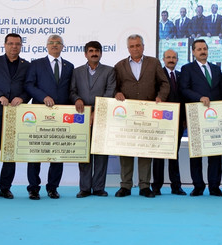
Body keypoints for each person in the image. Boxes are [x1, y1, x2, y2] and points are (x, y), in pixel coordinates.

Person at [113, 34, 170, 198]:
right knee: (126, 150)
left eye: (138, 45)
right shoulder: (119, 66)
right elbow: (114, 87)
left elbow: (164, 83)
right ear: (128, 48)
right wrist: (117, 93)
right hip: (127, 115)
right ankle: (125, 186)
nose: (135, 48)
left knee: (145, 150)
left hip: (148, 114)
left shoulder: (154, 63)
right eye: (132, 46)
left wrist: (161, 97)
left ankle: (145, 186)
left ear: (143, 47)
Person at [24, 34, 74, 200]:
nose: (54, 45)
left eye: (58, 43)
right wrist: (43, 96)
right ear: (46, 46)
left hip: (61, 116)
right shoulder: (36, 64)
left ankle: (53, 187)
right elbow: (29, 84)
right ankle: (33, 188)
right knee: (36, 152)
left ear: (62, 46)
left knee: (57, 153)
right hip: (40, 114)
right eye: (51, 43)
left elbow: (70, 89)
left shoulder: (69, 66)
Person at [0, 33, 30, 200]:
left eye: (17, 44)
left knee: (10, 154)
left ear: (21, 46)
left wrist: (22, 97)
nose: (14, 46)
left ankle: (6, 188)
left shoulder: (26, 65)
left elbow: (29, 87)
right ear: (5, 45)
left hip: (15, 116)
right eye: (10, 43)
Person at [179, 40, 222, 197]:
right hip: (196, 116)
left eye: (204, 48)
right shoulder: (187, 69)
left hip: (215, 117)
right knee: (197, 153)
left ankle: (215, 187)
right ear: (193, 52)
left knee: (215, 153)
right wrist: (199, 97)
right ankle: (198, 186)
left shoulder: (216, 69)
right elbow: (184, 89)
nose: (202, 51)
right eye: (199, 49)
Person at [70, 41, 116, 198]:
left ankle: (98, 188)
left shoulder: (109, 71)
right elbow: (72, 91)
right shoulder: (76, 72)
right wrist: (76, 99)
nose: (94, 53)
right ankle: (84, 187)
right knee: (84, 152)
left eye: (97, 50)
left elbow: (110, 92)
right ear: (85, 54)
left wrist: (96, 110)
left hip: (102, 115)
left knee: (100, 153)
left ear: (101, 53)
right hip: (81, 116)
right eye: (91, 51)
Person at [151, 49, 187, 196]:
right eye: (168, 57)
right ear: (163, 59)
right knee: (158, 155)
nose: (171, 60)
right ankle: (157, 186)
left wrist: (184, 118)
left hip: (178, 121)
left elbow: (184, 98)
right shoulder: (157, 77)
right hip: (161, 121)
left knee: (174, 154)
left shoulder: (181, 76)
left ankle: (176, 186)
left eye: (174, 57)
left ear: (177, 60)